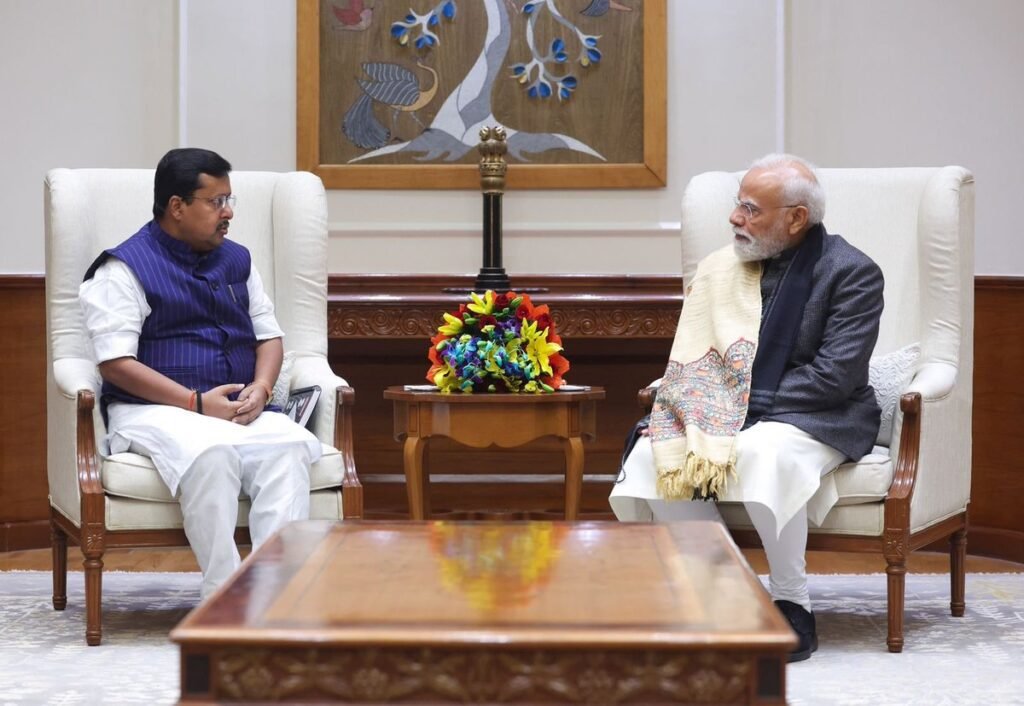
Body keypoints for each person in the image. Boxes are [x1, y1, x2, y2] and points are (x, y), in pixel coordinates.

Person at [611, 153, 884, 662]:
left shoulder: (852, 273)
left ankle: (792, 601)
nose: (735, 218)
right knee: (655, 453)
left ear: (796, 218)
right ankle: (728, 590)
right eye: (738, 205)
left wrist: (732, 408)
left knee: (761, 452)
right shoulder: (722, 269)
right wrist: (693, 406)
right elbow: (700, 358)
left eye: (751, 209)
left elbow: (834, 378)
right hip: (734, 407)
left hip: (821, 413)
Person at [79, 147, 321, 597]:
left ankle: (273, 598)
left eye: (229, 200)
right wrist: (195, 403)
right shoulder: (123, 268)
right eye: (216, 202)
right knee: (212, 454)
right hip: (153, 410)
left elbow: (268, 336)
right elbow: (115, 362)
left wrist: (263, 387)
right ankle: (223, 596)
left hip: (237, 410)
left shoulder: (237, 259)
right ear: (177, 206)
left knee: (288, 450)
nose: (228, 213)